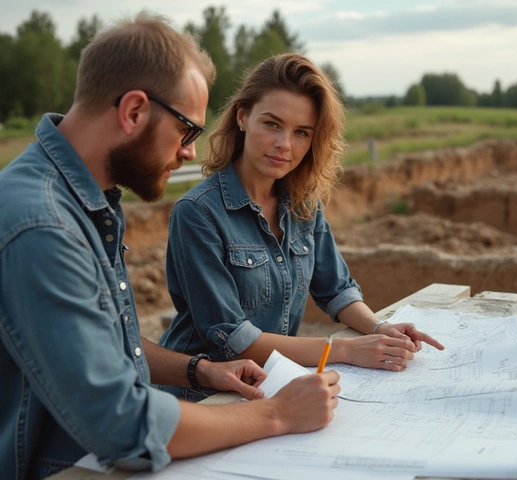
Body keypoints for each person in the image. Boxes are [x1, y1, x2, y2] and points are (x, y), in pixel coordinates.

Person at [0, 14, 340, 480]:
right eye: (187, 131)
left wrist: (200, 371)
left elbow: (107, 346)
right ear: (134, 111)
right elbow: (120, 423)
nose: (190, 154)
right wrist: (277, 414)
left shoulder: (83, 200)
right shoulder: (43, 224)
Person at [159, 52, 444, 401]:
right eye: (272, 124)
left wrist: (381, 328)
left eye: (302, 133)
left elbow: (336, 291)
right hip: (197, 395)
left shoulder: (304, 206)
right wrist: (344, 349)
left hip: (269, 385)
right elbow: (235, 339)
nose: (285, 145)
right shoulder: (198, 213)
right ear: (243, 117)